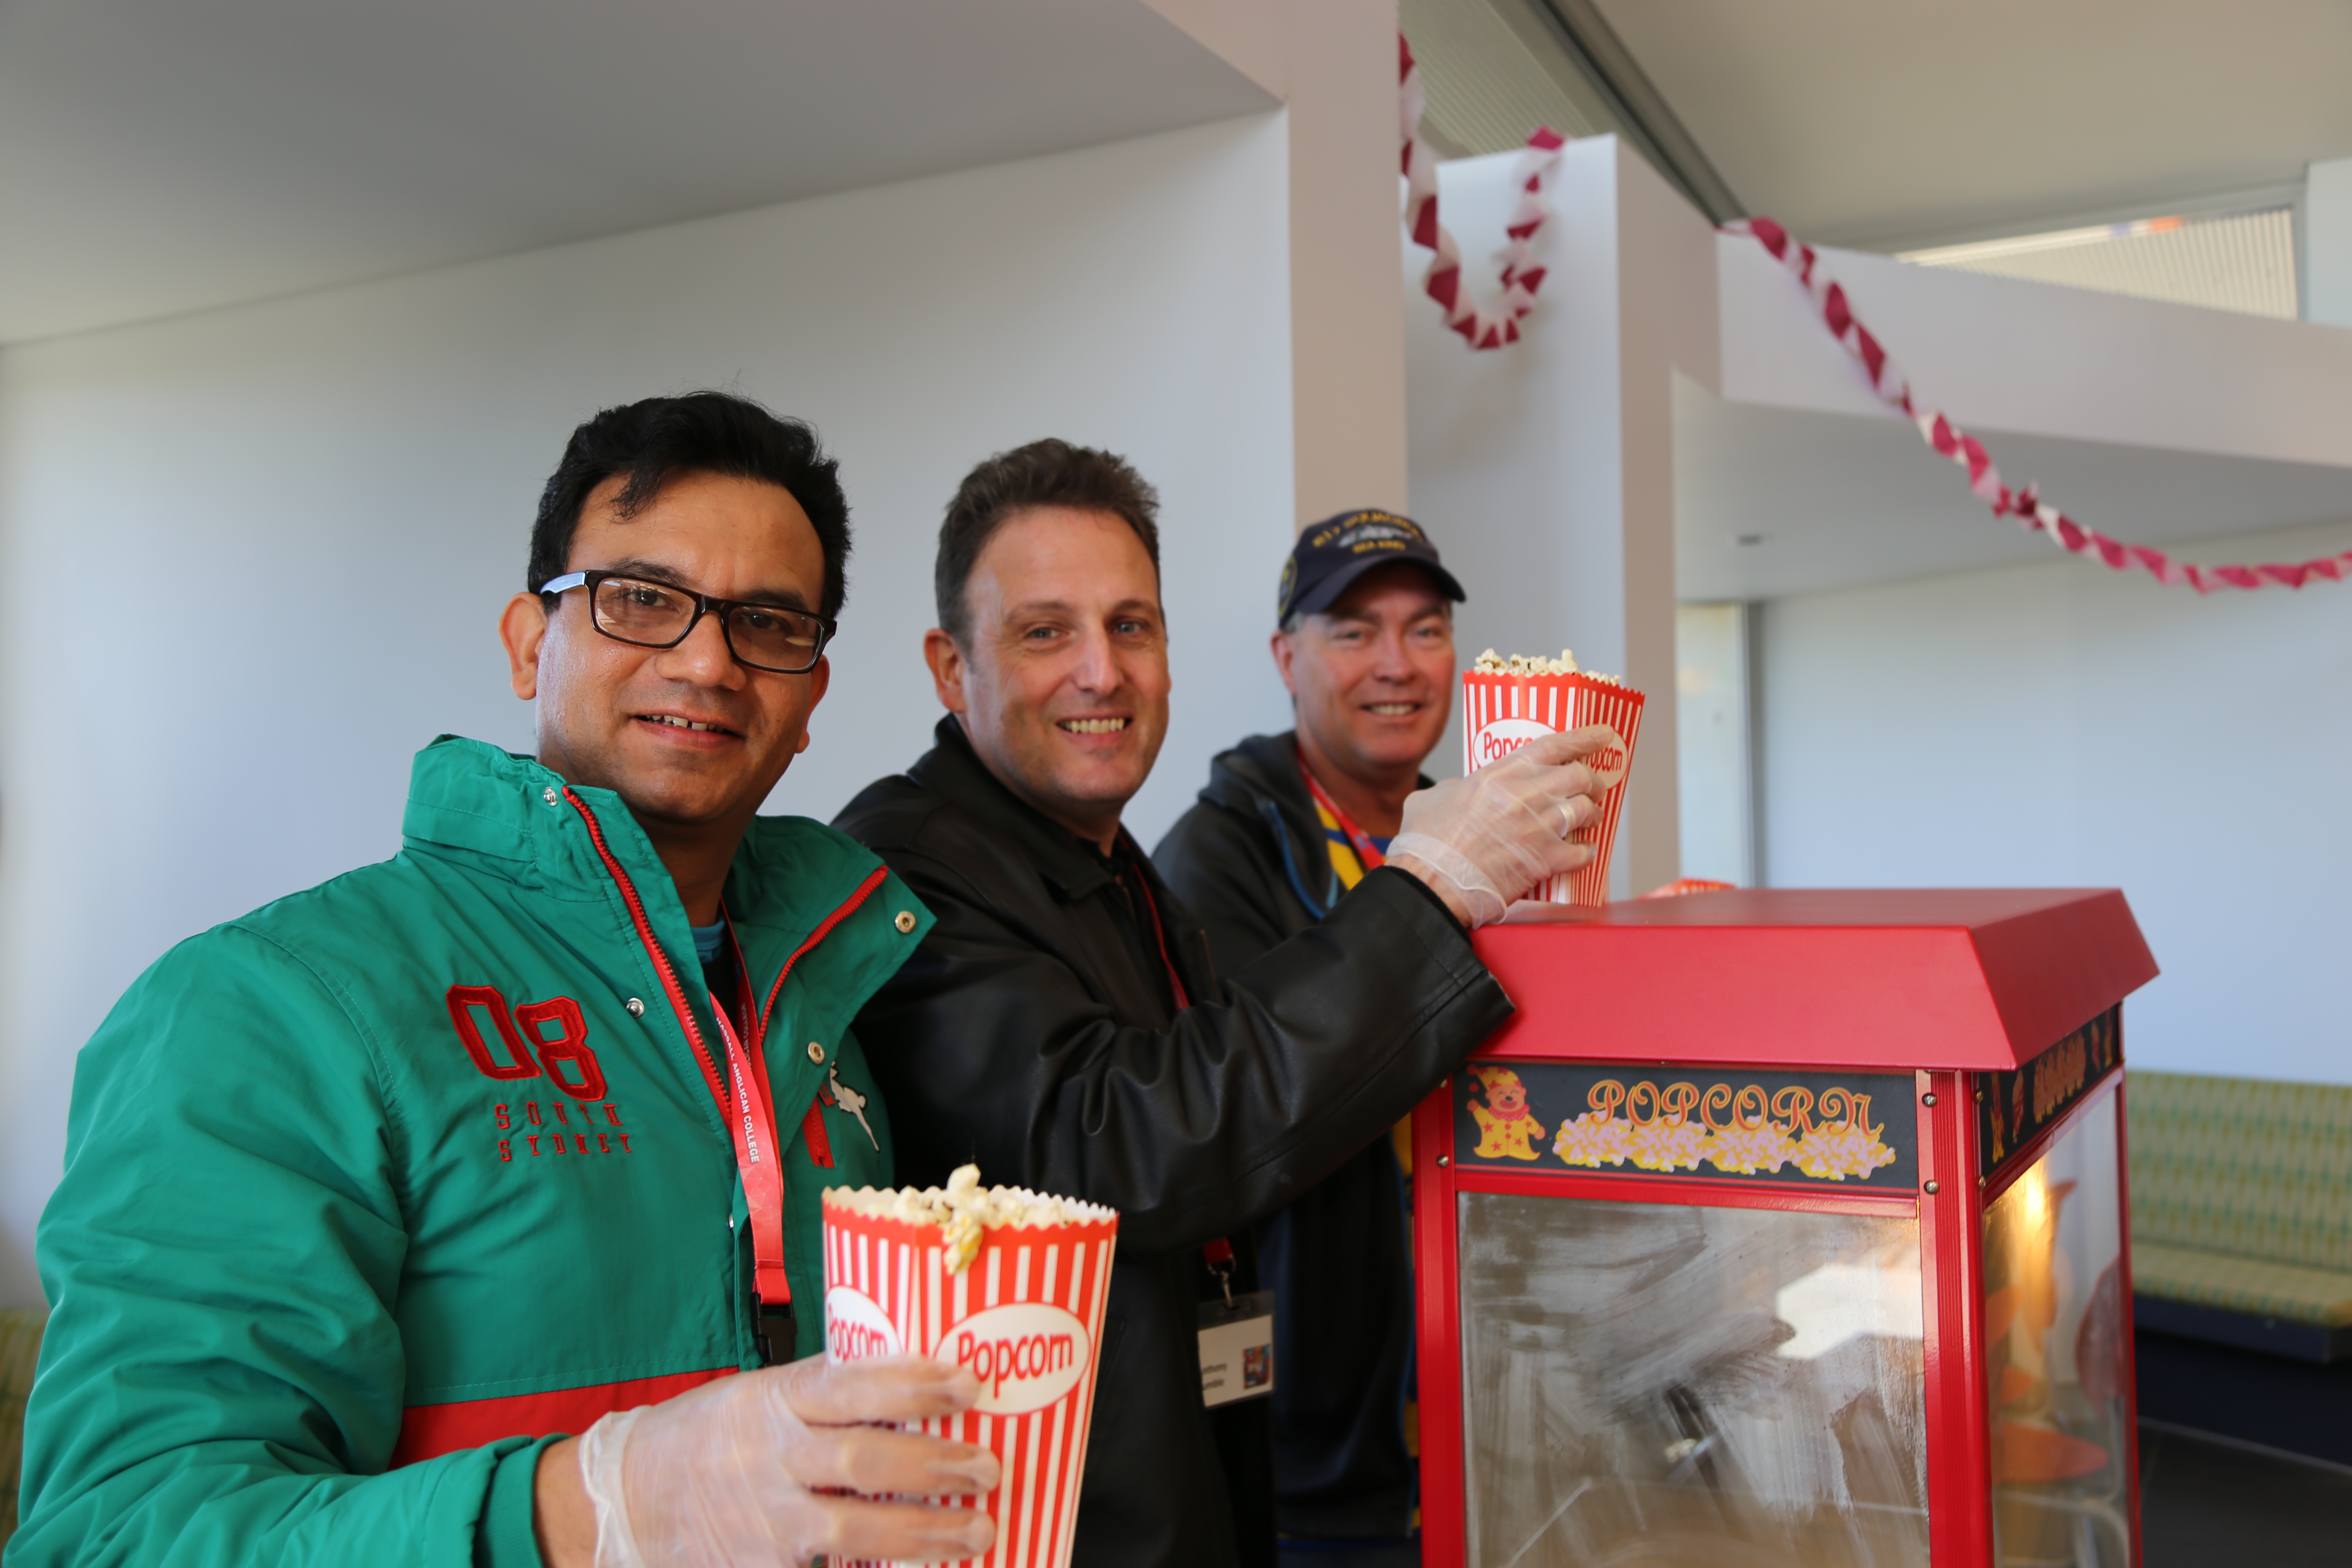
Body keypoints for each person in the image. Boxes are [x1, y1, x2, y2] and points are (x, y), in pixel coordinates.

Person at [12, 393, 1001, 1568]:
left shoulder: (825, 1007)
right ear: (531, 641)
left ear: (809, 700)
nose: (706, 661)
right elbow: (115, 1539)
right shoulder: (262, 1010)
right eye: (642, 599)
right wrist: (595, 1504)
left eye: (768, 623)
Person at [834, 441, 1612, 1568]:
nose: (1100, 672)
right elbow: (1112, 1147)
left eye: (1131, 626)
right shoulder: (909, 866)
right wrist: (1427, 897)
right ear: (950, 667)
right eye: (1046, 631)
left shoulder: (1113, 865)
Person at [1153, 509, 1466, 1568]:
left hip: (1482, 1412)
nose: (1397, 666)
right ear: (1288, 658)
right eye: (1353, 632)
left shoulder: (1467, 834)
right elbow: (1254, 1117)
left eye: (1425, 630)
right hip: (1316, 1456)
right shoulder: (1218, 857)